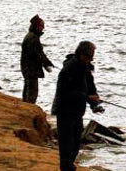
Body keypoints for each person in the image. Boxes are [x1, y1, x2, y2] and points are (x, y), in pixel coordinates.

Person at [51, 41, 104, 171]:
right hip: (64, 112)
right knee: (66, 149)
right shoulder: (68, 69)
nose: (91, 59)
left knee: (75, 147)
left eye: (93, 56)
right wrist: (86, 97)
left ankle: (69, 167)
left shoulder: (86, 68)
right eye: (89, 56)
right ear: (81, 54)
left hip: (77, 113)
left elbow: (91, 89)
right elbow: (65, 92)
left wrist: (94, 104)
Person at [20, 15, 54, 103]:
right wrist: (47, 63)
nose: (43, 28)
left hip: (28, 69)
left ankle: (25, 109)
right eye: (41, 25)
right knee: (31, 94)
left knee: (27, 92)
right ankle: (28, 111)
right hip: (31, 70)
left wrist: (46, 63)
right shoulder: (33, 38)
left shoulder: (31, 36)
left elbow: (37, 54)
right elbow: (37, 54)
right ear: (36, 26)